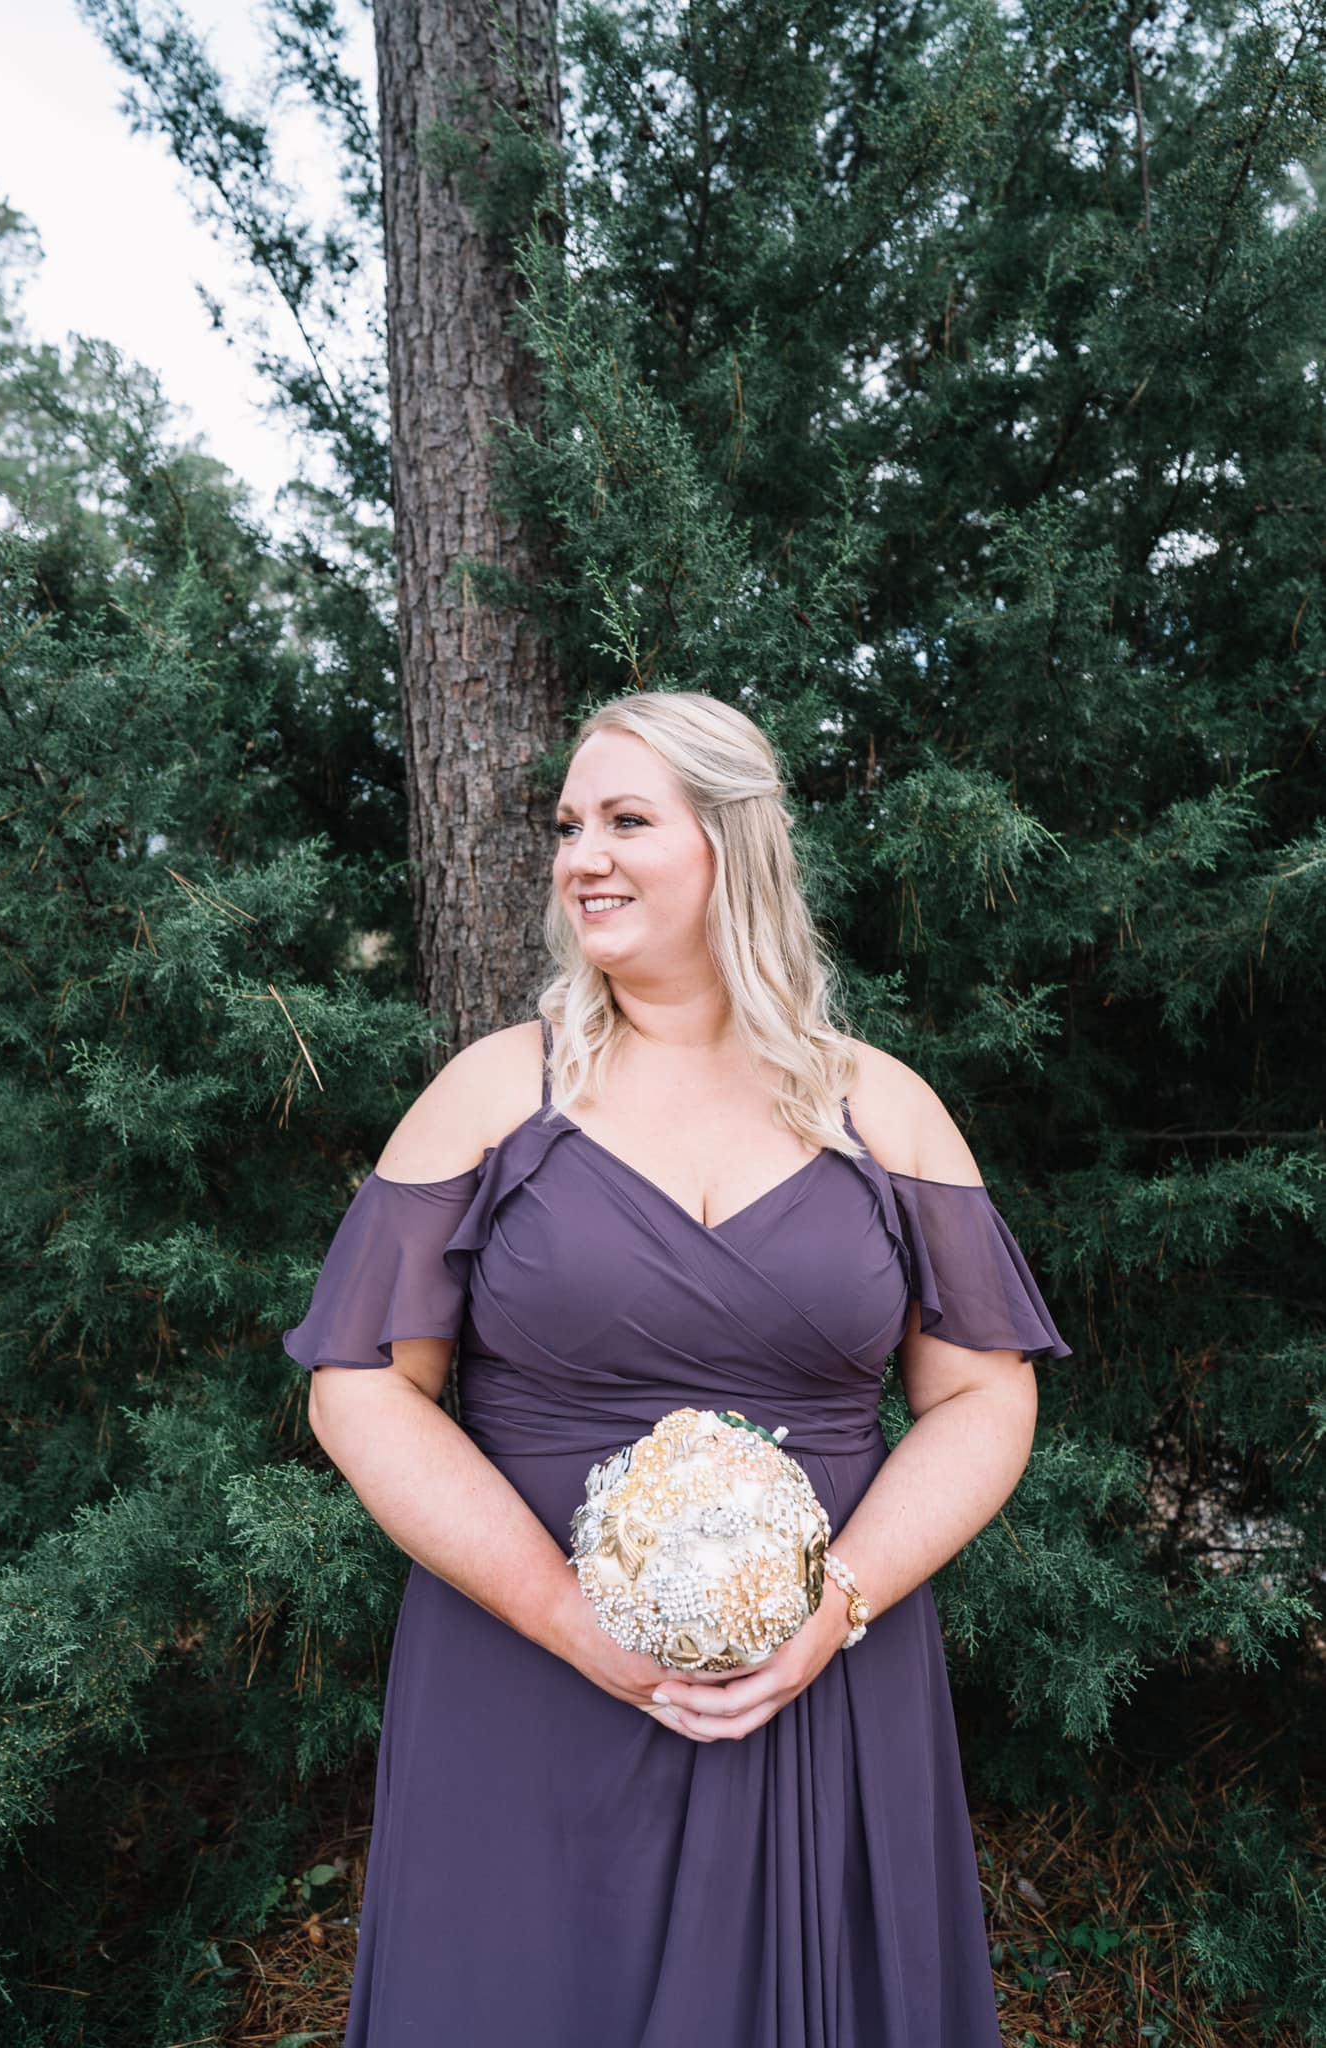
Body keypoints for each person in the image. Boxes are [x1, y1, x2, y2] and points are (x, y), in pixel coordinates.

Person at [284, 688, 1072, 2048]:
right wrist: (565, 1617)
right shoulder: (495, 1097)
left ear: (733, 844)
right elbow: (361, 1385)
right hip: (525, 1679)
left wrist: (836, 1611)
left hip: (820, 1687)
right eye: (568, 826)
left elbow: (986, 1394)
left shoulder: (879, 1108)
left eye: (626, 821)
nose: (582, 857)